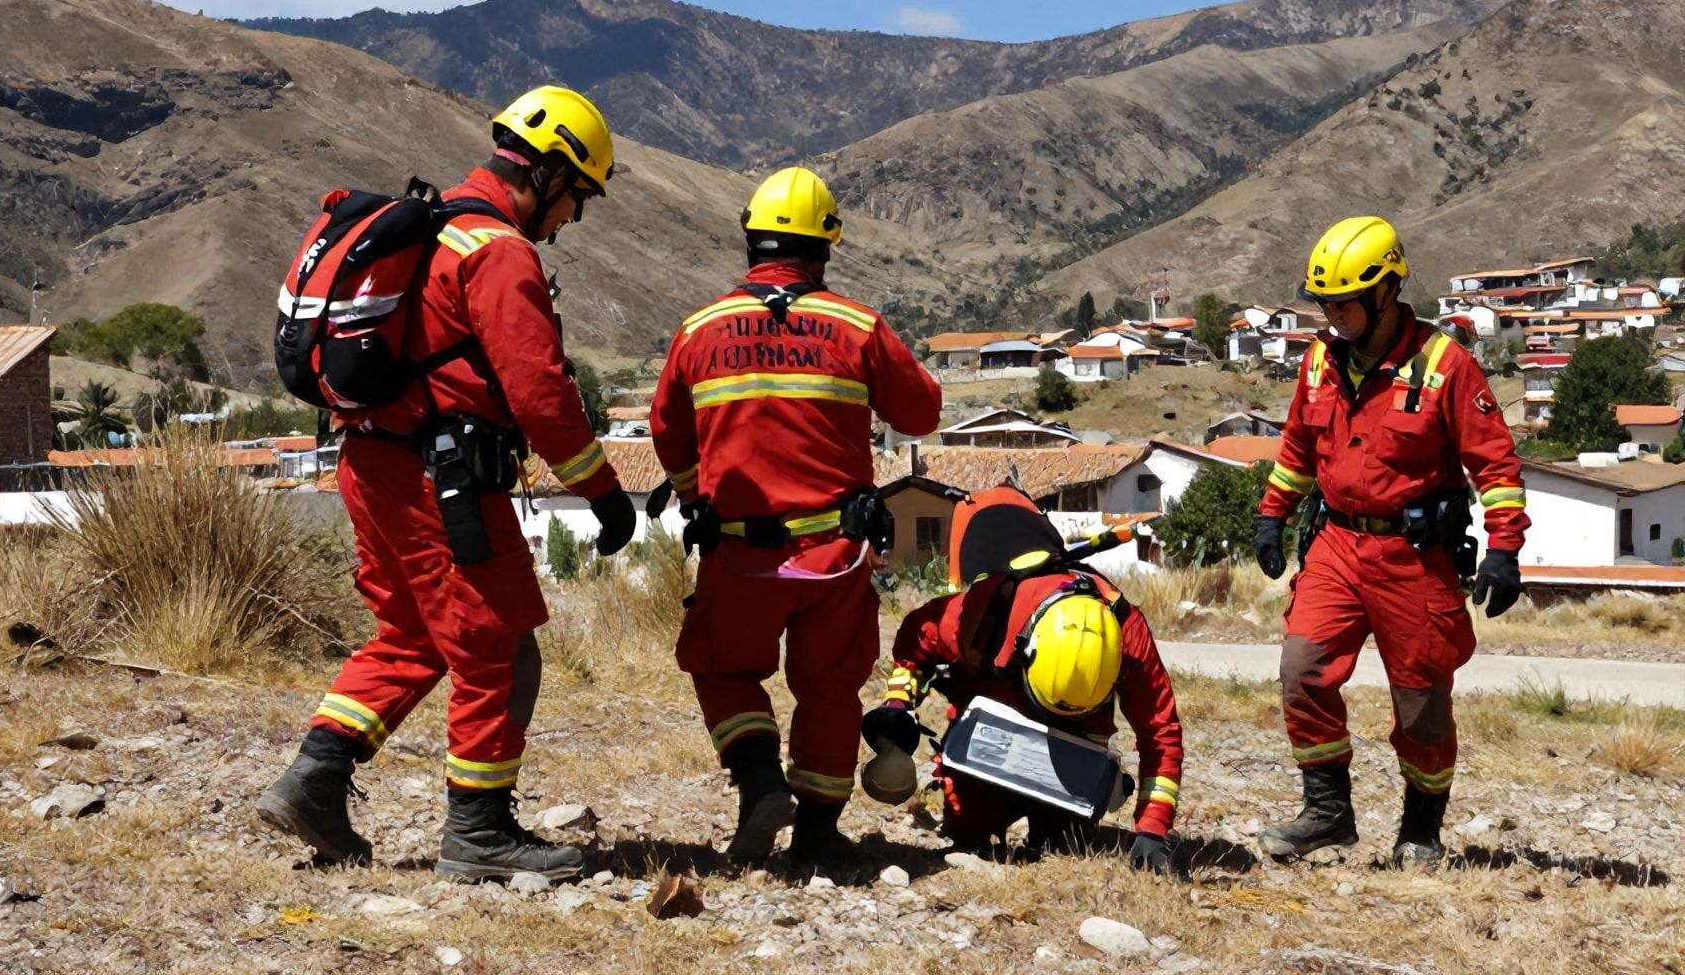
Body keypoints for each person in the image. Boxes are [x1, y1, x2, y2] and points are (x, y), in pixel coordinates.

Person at [257, 86, 636, 883]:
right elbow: (541, 394)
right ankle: (480, 831)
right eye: (579, 198)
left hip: (370, 463)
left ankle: (312, 782)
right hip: (446, 479)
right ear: (551, 173)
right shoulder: (496, 250)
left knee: (414, 635)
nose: (574, 219)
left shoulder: (433, 233)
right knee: (496, 640)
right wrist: (602, 491)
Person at [650, 166, 942, 868]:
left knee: (720, 669)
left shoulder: (700, 328)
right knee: (830, 689)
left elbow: (667, 431)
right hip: (834, 555)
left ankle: (758, 784)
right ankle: (816, 836)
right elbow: (921, 413)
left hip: (740, 553)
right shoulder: (857, 325)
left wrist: (695, 498)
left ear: (751, 239)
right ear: (826, 244)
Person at [1253, 216, 1527, 867]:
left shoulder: (1443, 364)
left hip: (1415, 559)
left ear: (1384, 293)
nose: (1330, 317)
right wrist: (1272, 513)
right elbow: (1297, 449)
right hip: (1337, 548)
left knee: (1422, 705)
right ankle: (1328, 812)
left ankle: (1421, 830)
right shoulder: (1320, 360)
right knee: (1302, 672)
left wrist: (1505, 547)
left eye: (1342, 304)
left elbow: (1496, 465)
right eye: (1323, 304)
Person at [862, 486, 1184, 876]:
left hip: (1070, 777)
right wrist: (898, 705)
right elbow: (917, 641)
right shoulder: (987, 610)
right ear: (1026, 649)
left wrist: (1151, 829)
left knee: (1063, 845)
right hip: (986, 764)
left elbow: (1160, 731)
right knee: (969, 830)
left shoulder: (1123, 630)